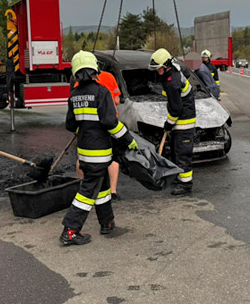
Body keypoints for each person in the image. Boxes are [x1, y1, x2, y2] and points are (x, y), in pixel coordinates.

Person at [61, 51, 137, 246]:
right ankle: (70, 230)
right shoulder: (101, 92)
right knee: (87, 192)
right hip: (100, 153)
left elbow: (70, 125)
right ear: (95, 69)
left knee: (102, 188)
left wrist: (85, 126)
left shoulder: (74, 95)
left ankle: (107, 223)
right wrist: (128, 139)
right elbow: (111, 123)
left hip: (85, 153)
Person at [149, 48, 196, 195]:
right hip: (181, 122)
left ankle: (185, 185)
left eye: (158, 68)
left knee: (183, 154)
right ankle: (179, 178)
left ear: (166, 65)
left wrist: (168, 124)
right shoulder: (175, 70)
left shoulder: (172, 82)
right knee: (176, 152)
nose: (157, 71)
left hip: (184, 123)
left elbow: (176, 109)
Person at [75, 68, 122, 200]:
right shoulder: (109, 77)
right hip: (110, 122)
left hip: (87, 125)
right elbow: (117, 100)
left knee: (82, 157)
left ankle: (81, 187)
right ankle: (112, 191)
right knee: (112, 157)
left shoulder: (80, 82)